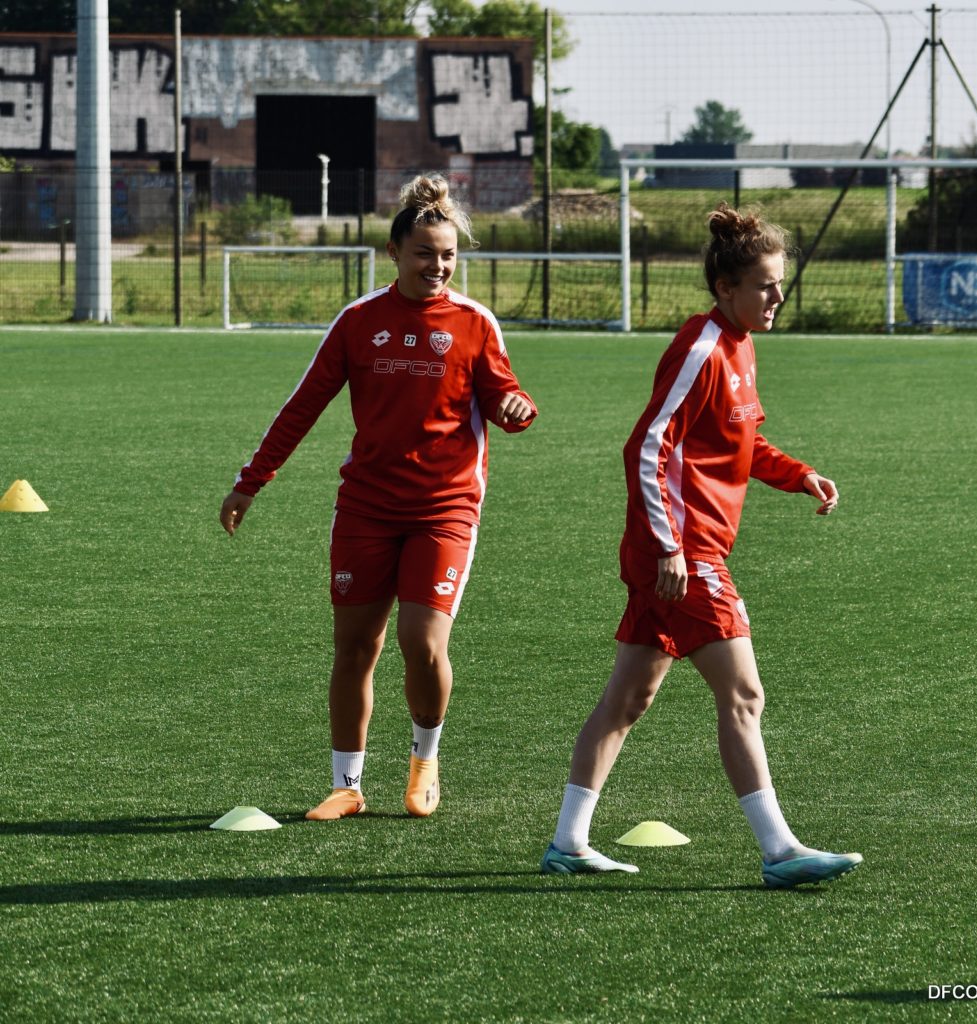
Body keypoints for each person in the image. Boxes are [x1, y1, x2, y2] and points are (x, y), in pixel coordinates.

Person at [540, 202, 861, 888]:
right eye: (766, 286)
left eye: (780, 284)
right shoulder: (701, 347)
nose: (778, 297)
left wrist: (798, 474)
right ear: (725, 287)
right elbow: (646, 447)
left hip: (679, 554)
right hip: (683, 556)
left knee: (627, 701)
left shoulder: (740, 345)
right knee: (744, 694)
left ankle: (568, 841)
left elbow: (741, 443)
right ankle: (780, 852)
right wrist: (669, 547)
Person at [220, 174, 536, 821]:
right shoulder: (360, 321)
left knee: (423, 644)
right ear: (393, 253)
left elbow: (507, 396)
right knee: (355, 648)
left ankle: (424, 764)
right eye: (424, 254)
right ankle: (347, 786)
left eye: (448, 255)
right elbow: (303, 405)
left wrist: (517, 407)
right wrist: (251, 482)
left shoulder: (474, 324)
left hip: (445, 508)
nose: (438, 266)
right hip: (365, 507)